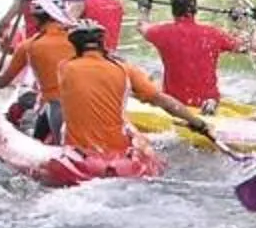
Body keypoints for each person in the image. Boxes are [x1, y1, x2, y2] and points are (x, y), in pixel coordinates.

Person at [53, 21, 209, 155]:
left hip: (79, 154)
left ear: (74, 46)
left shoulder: (63, 67)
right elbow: (164, 102)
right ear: (102, 43)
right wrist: (197, 123)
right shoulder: (125, 69)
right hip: (118, 151)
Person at [0, 0, 81, 136]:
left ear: (37, 19)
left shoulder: (28, 46)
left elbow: (3, 81)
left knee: (31, 115)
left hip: (55, 107)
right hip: (82, 101)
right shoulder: (78, 40)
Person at [140, 0, 245, 110]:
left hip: (176, 105)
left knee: (152, 78)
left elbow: (142, 27)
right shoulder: (212, 34)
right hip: (208, 102)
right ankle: (210, 105)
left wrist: (144, 8)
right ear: (195, 10)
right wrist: (238, 21)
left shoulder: (161, 32)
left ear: (173, 10)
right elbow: (243, 46)